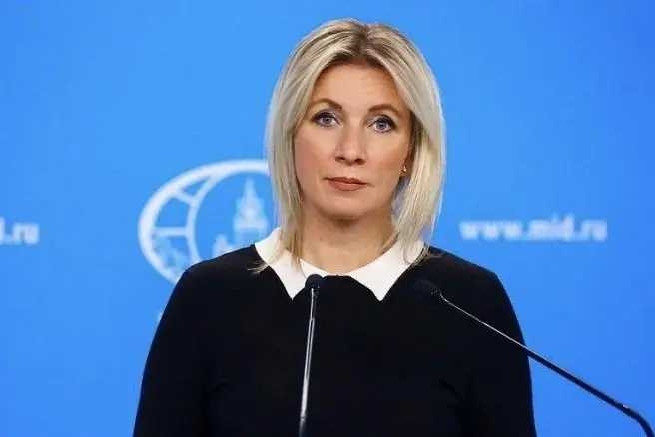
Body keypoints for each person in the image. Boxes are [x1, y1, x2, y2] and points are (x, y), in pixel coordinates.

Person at [133, 18, 536, 436]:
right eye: (326, 119)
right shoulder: (209, 296)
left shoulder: (470, 301)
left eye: (382, 124)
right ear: (290, 134)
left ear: (411, 152)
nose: (351, 150)